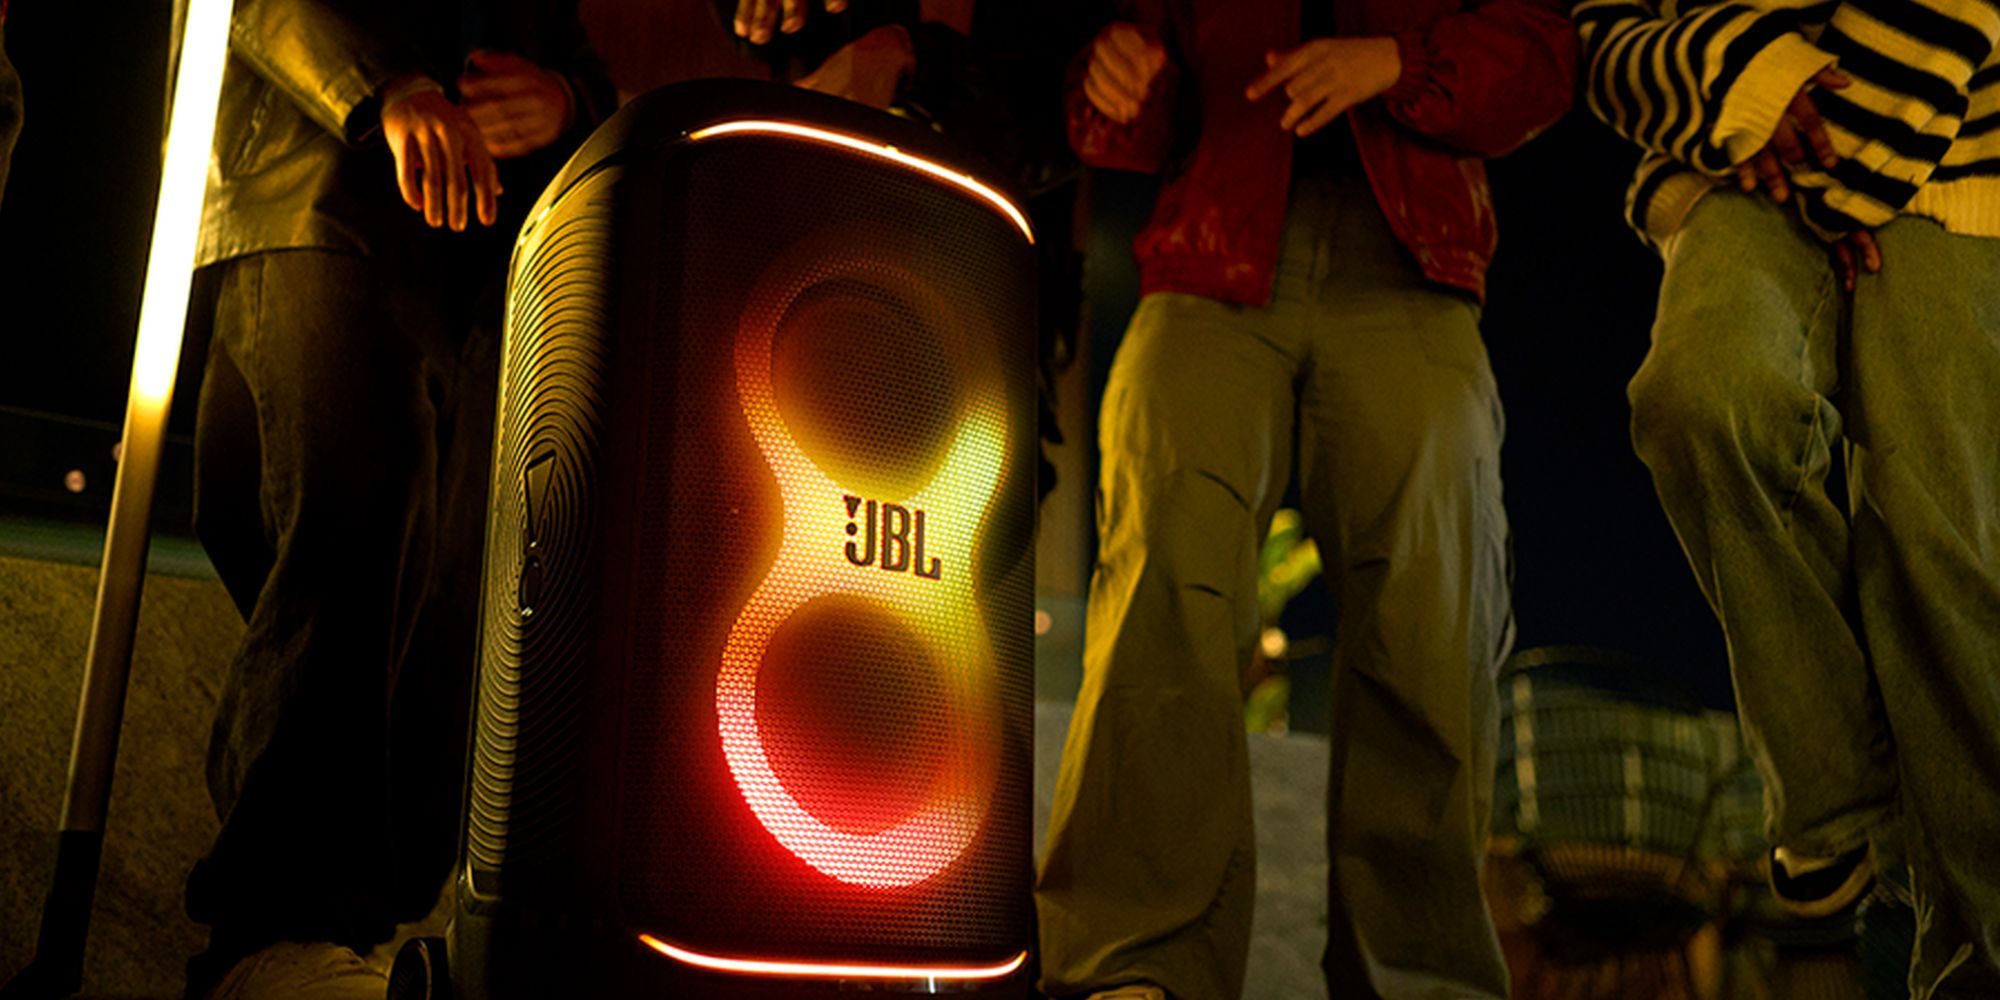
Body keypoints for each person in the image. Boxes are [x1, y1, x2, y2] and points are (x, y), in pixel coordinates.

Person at [1031, 2, 1574, 998]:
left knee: (1430, 612)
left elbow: (1543, 57)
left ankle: (1417, 974)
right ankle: (1133, 965)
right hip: (1205, 259)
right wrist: (1113, 80)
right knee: (1160, 574)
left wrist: (1396, 63)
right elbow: (1117, 113)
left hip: (1408, 273)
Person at [175, 1, 611, 997]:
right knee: (358, 515)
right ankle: (275, 931)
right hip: (316, 186)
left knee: (458, 583)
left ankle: (365, 930)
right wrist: (384, 88)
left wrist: (564, 99)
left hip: (481, 252)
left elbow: (574, 51)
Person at [1577, 0, 2000, 993]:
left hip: (1952, 163)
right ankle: (1830, 796)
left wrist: (1833, 159)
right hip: (1734, 165)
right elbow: (1596, 31)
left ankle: (1974, 956)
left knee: (1939, 545)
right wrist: (1749, 87)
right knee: (1697, 394)